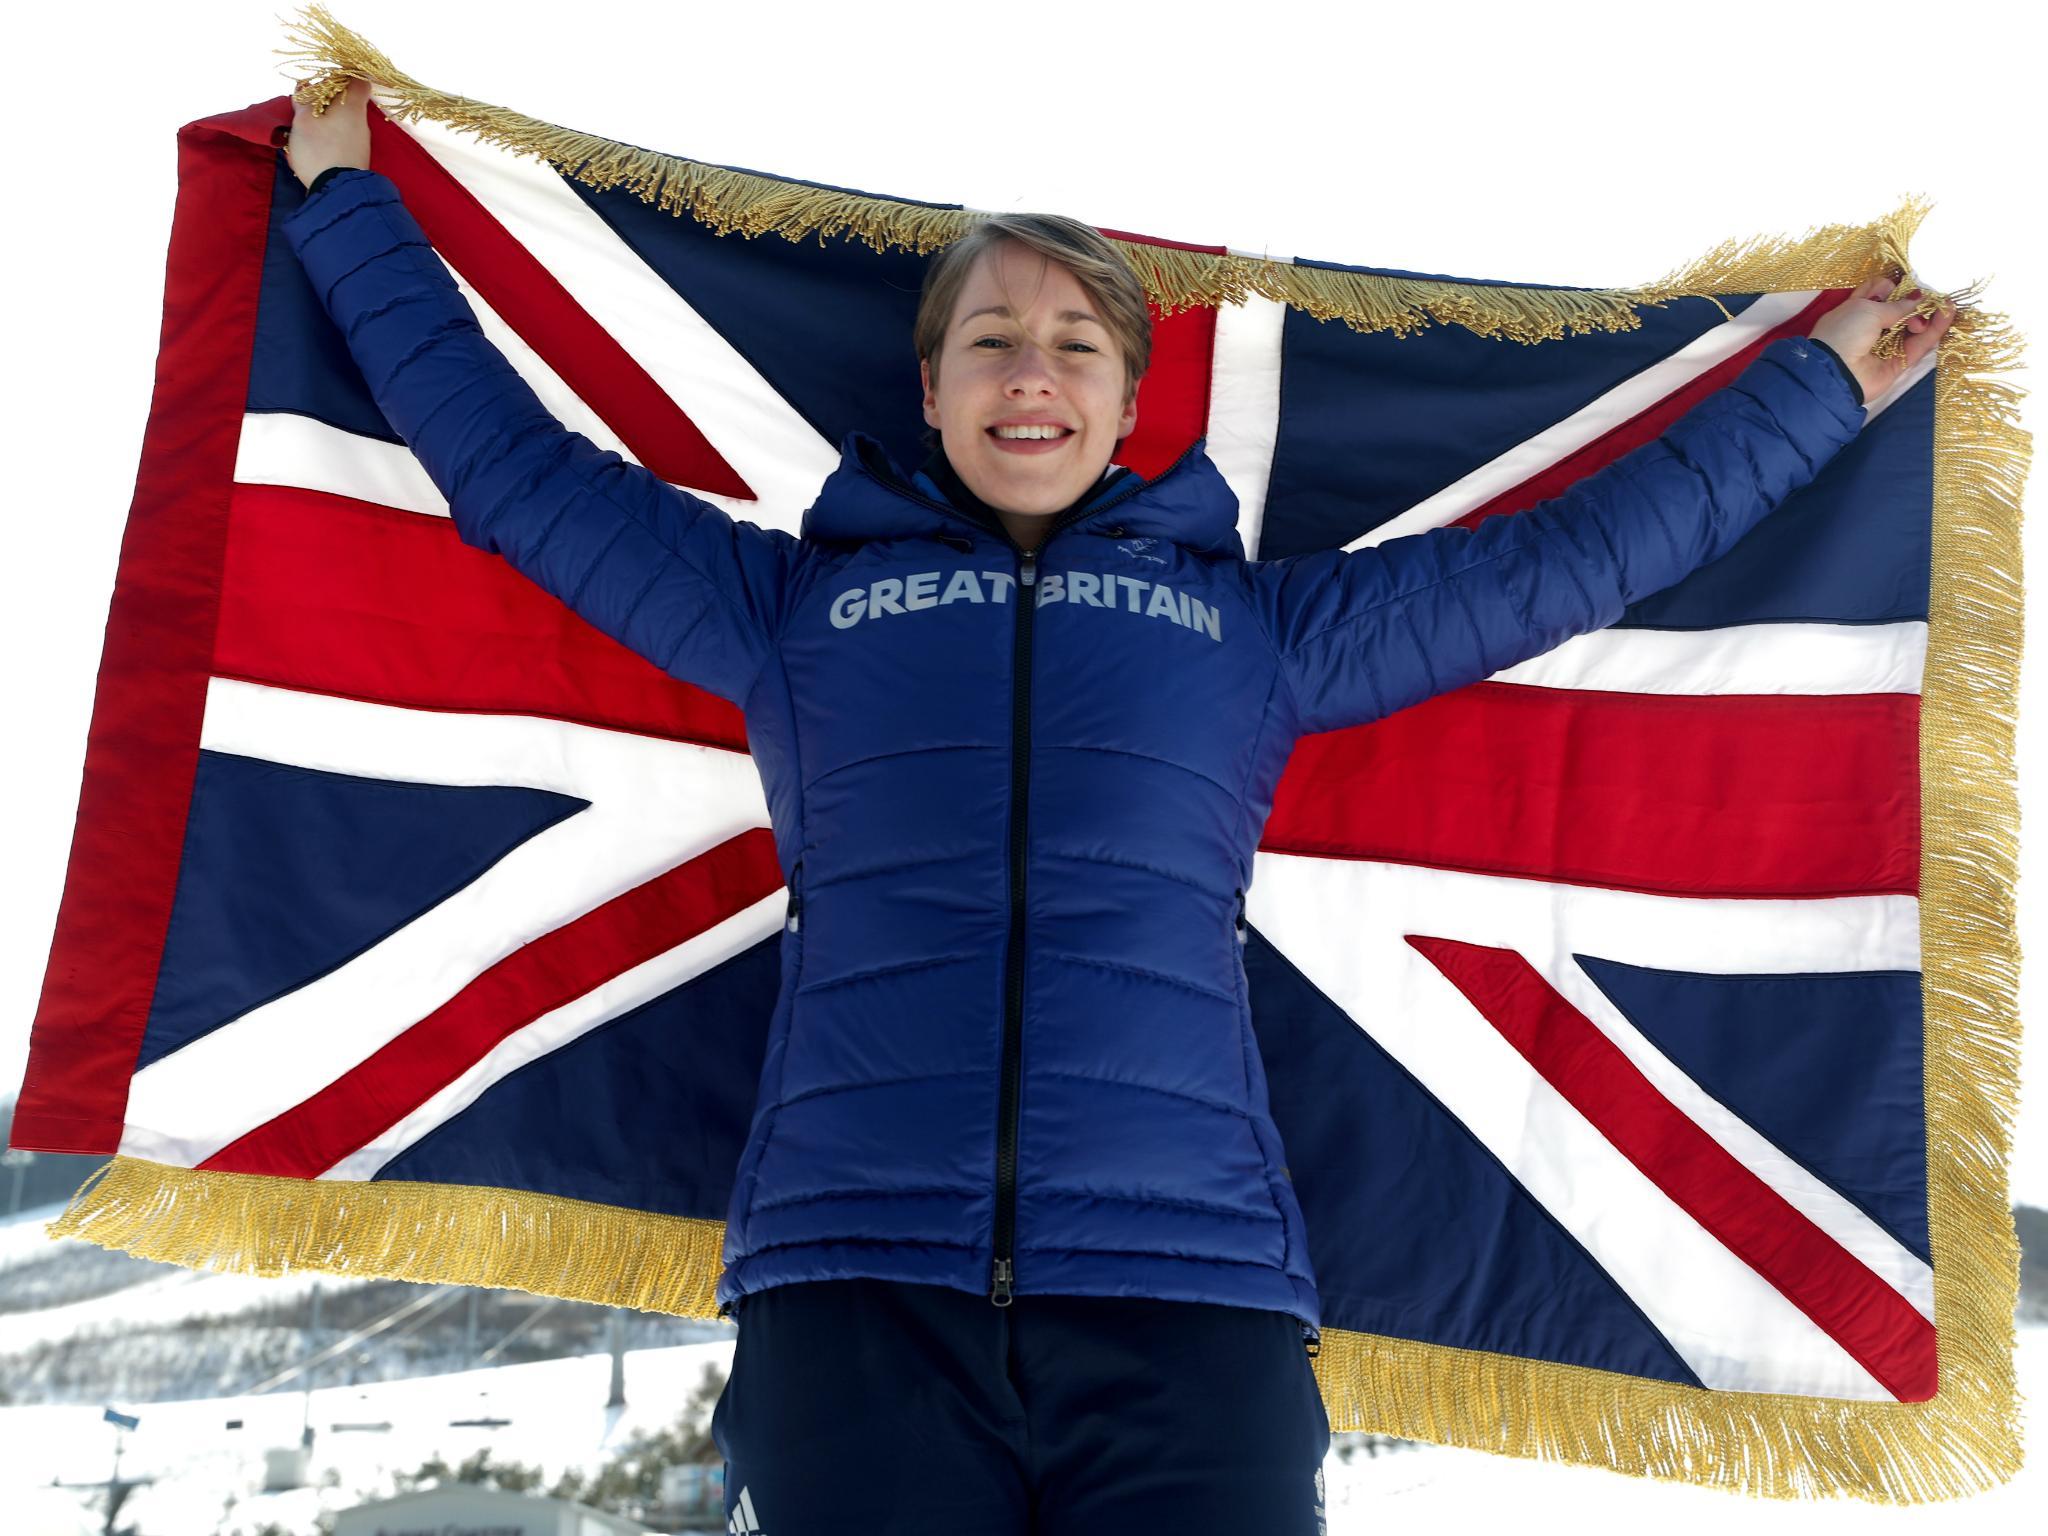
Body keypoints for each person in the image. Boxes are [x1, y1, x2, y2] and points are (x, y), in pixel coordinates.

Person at [282, 78, 1954, 1536]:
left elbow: (1565, 563)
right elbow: (510, 470)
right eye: (991, 341)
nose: (1033, 372)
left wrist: (1825, 390)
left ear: (1124, 400)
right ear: (929, 394)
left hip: (1193, 1306)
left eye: (1075, 343)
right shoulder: (790, 611)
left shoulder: (1258, 634)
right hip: (857, 1299)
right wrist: (348, 204)